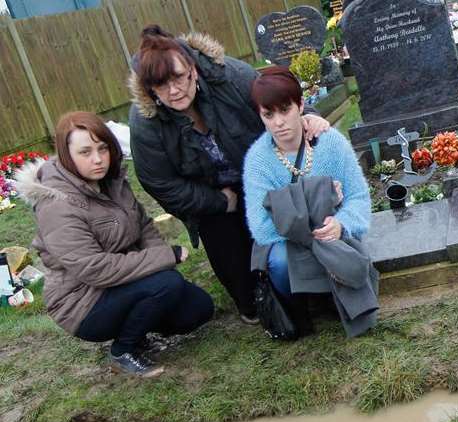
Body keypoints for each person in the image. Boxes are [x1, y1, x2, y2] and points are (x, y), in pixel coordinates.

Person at [128, 25, 329, 324]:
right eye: (161, 85)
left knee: (288, 231)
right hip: (212, 197)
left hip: (261, 174)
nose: (174, 91)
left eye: (179, 78)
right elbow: (161, 184)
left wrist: (308, 115)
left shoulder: (229, 76)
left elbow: (275, 95)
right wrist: (219, 202)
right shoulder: (146, 124)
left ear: (193, 69)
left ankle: (313, 285)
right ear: (149, 89)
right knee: (237, 265)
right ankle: (251, 300)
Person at [14, 112, 213, 377]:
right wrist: (164, 259)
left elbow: (142, 225)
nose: (97, 159)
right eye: (85, 152)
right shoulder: (57, 205)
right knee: (167, 285)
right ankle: (124, 350)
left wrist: (159, 267)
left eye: (102, 148)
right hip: (83, 302)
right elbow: (95, 269)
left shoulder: (112, 182)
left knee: (198, 308)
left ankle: (139, 325)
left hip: (125, 281)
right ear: (66, 154)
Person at [243, 67, 378, 338]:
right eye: (268, 115)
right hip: (289, 242)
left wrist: (341, 222)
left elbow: (359, 198)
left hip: (331, 233)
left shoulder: (331, 143)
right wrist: (320, 199)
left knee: (339, 246)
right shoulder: (258, 161)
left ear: (300, 105)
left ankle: (332, 296)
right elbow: (261, 227)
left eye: (285, 110)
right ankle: (305, 301)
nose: (279, 122)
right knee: (279, 262)